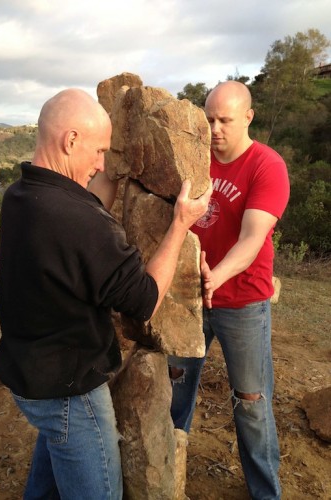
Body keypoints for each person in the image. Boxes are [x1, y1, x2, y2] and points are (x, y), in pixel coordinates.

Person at [0, 88, 211, 500]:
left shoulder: (23, 195)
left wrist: (115, 175)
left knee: (53, 460)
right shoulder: (79, 223)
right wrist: (180, 223)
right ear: (70, 140)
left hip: (28, 372)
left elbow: (83, 213)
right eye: (97, 152)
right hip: (67, 390)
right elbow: (144, 299)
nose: (100, 164)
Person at [169, 81, 290, 500]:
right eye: (209, 120)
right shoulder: (193, 161)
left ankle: (265, 492)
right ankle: (166, 477)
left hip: (242, 302)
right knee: (174, 387)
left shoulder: (266, 166)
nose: (215, 129)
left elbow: (251, 239)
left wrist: (213, 278)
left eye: (225, 120)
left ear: (248, 117)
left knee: (251, 402)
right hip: (187, 299)